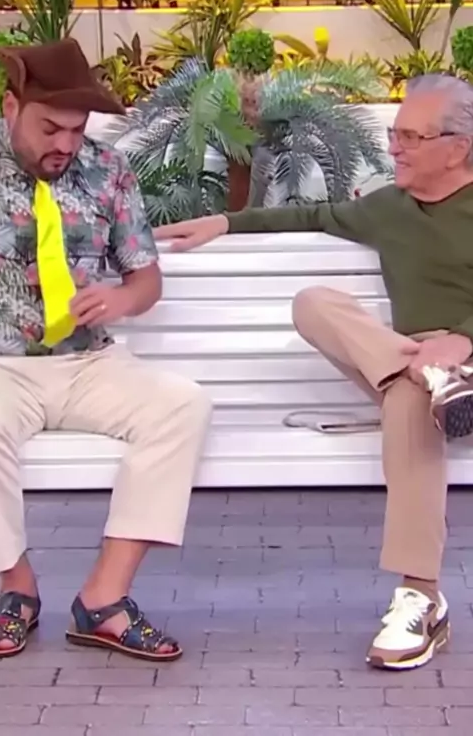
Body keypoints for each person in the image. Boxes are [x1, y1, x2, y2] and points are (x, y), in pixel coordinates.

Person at [154, 73, 473, 671]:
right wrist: (225, 223)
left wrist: (464, 338)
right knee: (315, 303)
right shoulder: (389, 208)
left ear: (457, 148)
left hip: (466, 361)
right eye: (393, 134)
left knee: (408, 406)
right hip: (409, 363)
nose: (394, 148)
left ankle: (421, 596)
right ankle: (430, 384)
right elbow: (309, 216)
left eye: (410, 137)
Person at [0, 37, 211, 661]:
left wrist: (119, 300)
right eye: (50, 128)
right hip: (1, 368)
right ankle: (16, 588)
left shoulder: (107, 170)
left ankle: (104, 600)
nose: (65, 144)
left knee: (182, 406)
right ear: (12, 107)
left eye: (76, 128)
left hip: (89, 362)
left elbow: (146, 282)